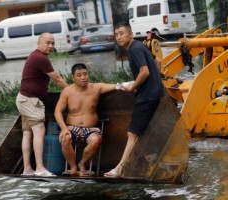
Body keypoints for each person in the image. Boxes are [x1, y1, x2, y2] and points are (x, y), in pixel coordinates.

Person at [104, 22, 165, 178]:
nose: (119, 37)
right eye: (116, 34)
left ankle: (120, 168)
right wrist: (156, 84)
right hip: (154, 94)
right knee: (143, 132)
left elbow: (144, 72)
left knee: (132, 133)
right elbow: (157, 62)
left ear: (130, 34)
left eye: (122, 33)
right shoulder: (139, 46)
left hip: (146, 97)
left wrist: (133, 87)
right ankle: (152, 164)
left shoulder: (134, 49)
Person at [54, 63, 120, 177]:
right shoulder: (67, 91)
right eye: (79, 75)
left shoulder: (96, 87)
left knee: (95, 140)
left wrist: (132, 85)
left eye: (85, 74)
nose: (83, 77)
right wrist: (64, 128)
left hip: (91, 128)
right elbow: (57, 111)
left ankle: (82, 164)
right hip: (71, 127)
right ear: (73, 77)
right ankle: (73, 166)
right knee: (65, 138)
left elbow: (117, 86)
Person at [16, 32, 68, 177]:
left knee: (27, 133)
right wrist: (71, 91)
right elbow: (57, 79)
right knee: (39, 131)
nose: (50, 46)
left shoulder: (36, 56)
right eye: (47, 43)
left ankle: (27, 169)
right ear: (39, 44)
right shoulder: (40, 57)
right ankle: (40, 168)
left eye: (53, 43)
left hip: (23, 99)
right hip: (31, 100)